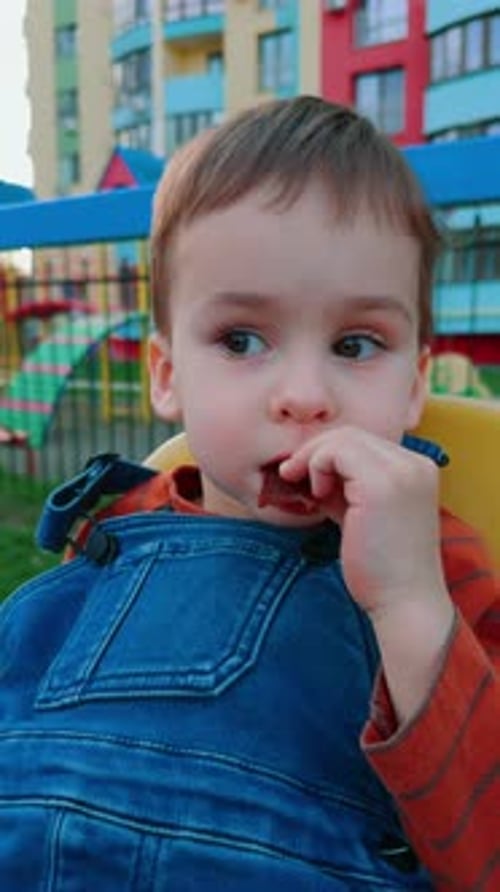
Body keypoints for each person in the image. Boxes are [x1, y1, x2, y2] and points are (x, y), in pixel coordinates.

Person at [0, 96, 498, 891]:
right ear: (167, 376)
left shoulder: (436, 562)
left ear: (414, 386)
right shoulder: (114, 524)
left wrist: (409, 601)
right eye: (241, 340)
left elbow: (485, 853)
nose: (304, 395)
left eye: (355, 344)